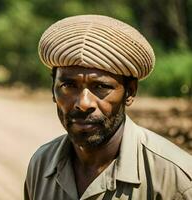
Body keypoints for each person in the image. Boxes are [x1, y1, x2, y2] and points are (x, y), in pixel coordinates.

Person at [24, 15, 192, 200]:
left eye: (101, 87)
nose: (83, 103)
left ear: (130, 92)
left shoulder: (175, 180)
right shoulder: (42, 165)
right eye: (69, 86)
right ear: (53, 90)